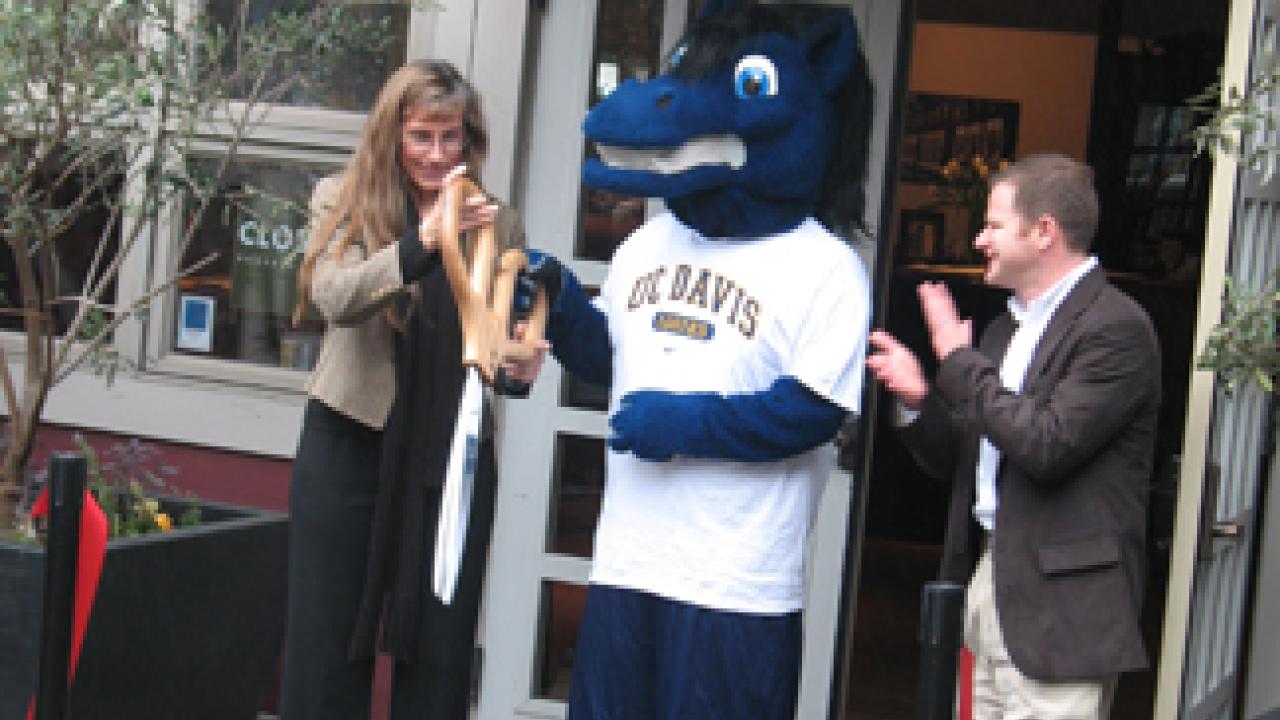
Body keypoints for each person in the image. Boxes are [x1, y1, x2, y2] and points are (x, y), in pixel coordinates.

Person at [866, 153, 1161, 720]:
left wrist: (958, 359)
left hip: (1063, 612)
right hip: (989, 584)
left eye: (994, 224)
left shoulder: (1116, 329)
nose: (980, 239)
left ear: (1044, 231)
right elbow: (967, 454)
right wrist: (921, 398)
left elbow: (1047, 446)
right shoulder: (1006, 329)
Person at [282, 59, 529, 720]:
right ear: (393, 133)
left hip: (451, 460)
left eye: (452, 138)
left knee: (441, 658)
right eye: (422, 136)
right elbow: (332, 297)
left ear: (470, 139)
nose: (437, 154)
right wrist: (421, 243)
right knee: (325, 647)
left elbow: (501, 337)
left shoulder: (497, 221)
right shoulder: (343, 199)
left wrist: (519, 366)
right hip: (350, 446)